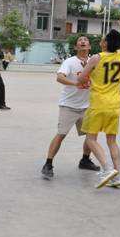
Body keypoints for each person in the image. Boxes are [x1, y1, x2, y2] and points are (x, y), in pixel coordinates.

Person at [77, 17, 120, 188]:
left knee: (91, 138)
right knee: (112, 141)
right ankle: (116, 176)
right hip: (115, 105)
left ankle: (107, 169)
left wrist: (87, 79)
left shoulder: (96, 58)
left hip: (99, 104)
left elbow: (80, 78)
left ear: (106, 43)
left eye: (103, 39)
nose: (101, 41)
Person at [41, 36, 100, 180]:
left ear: (89, 47)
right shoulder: (70, 62)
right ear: (76, 47)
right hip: (69, 105)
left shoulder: (95, 61)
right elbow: (59, 77)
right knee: (61, 134)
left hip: (87, 106)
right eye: (80, 40)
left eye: (85, 40)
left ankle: (85, 160)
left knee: (91, 135)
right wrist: (75, 84)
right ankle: (48, 164)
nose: (83, 41)